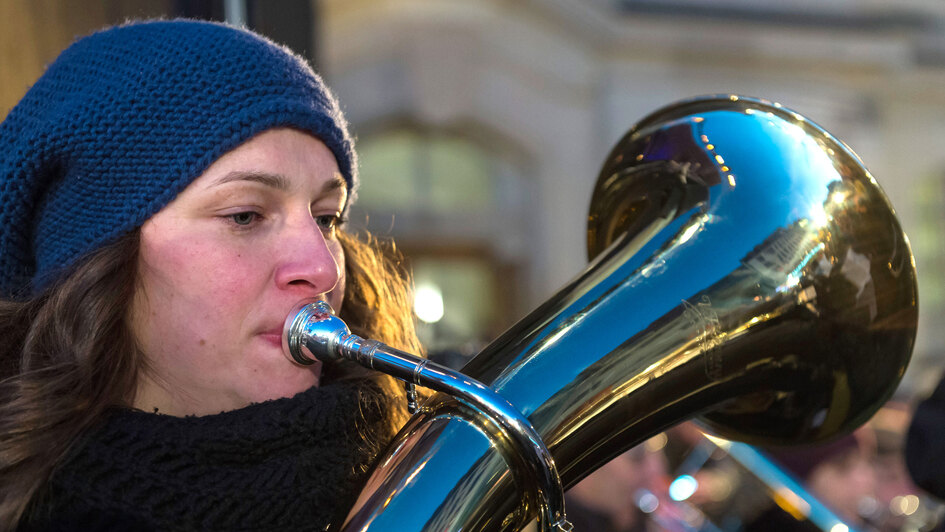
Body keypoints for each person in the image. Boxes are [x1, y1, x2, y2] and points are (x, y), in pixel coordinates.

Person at [0, 19, 421, 531]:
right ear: (98, 260)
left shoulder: (415, 463)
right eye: (244, 215)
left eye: (327, 217)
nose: (324, 268)